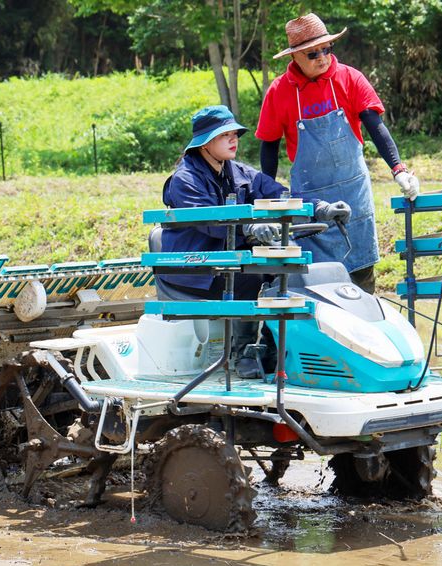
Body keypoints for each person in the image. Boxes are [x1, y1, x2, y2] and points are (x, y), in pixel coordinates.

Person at [160, 105, 349, 377]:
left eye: (235, 133)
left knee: (289, 265)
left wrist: (319, 208)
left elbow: (280, 196)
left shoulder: (238, 172)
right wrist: (249, 229)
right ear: (204, 144)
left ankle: (272, 349)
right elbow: (209, 223)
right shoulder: (185, 180)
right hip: (196, 269)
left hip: (229, 260)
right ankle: (242, 353)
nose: (234, 139)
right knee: (256, 271)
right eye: (225, 134)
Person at [256, 12, 420, 293]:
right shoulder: (280, 92)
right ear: (294, 57)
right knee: (316, 280)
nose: (322, 57)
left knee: (361, 277)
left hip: (353, 195)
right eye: (312, 54)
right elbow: (269, 146)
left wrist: (399, 169)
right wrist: (266, 200)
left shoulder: (349, 78)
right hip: (310, 200)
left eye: (326, 49)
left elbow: (375, 126)